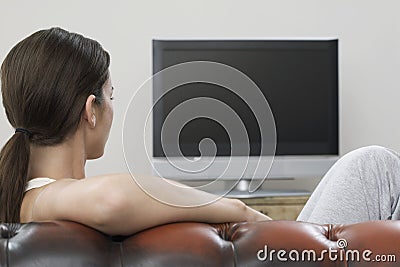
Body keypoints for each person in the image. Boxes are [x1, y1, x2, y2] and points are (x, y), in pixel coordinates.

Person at [0, 27, 270, 236]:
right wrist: (241, 211)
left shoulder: (32, 197)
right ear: (90, 110)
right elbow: (113, 198)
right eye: (112, 96)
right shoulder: (37, 201)